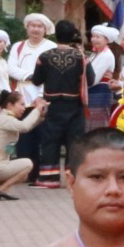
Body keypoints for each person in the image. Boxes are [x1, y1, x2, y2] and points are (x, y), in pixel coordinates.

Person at [31, 21, 89, 188]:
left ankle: (49, 178)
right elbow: (90, 79)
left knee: (50, 141)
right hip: (75, 105)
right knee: (75, 141)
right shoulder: (81, 57)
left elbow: (36, 80)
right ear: (73, 36)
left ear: (55, 35)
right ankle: (74, 178)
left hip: (53, 105)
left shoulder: (44, 56)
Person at [0, 90, 45, 199]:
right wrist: (36, 110)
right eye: (21, 104)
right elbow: (24, 127)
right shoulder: (6, 119)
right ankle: (2, 190)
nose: (24, 108)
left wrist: (40, 116)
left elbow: (26, 127)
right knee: (28, 163)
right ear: (10, 105)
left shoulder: (2, 118)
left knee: (23, 175)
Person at [8, 13, 50, 174]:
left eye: (39, 26)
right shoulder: (18, 46)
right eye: (32, 25)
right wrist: (31, 76)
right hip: (22, 97)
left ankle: (41, 171)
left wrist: (40, 84)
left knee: (42, 134)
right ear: (27, 28)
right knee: (24, 135)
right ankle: (23, 171)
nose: (35, 29)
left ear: (45, 29)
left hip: (43, 96)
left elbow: (51, 72)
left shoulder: (50, 46)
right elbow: (11, 68)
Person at [86, 26, 119, 131]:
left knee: (97, 126)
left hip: (99, 93)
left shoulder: (106, 55)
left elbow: (93, 79)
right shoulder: (95, 54)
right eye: (93, 36)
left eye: (98, 37)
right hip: (92, 93)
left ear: (106, 40)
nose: (94, 39)